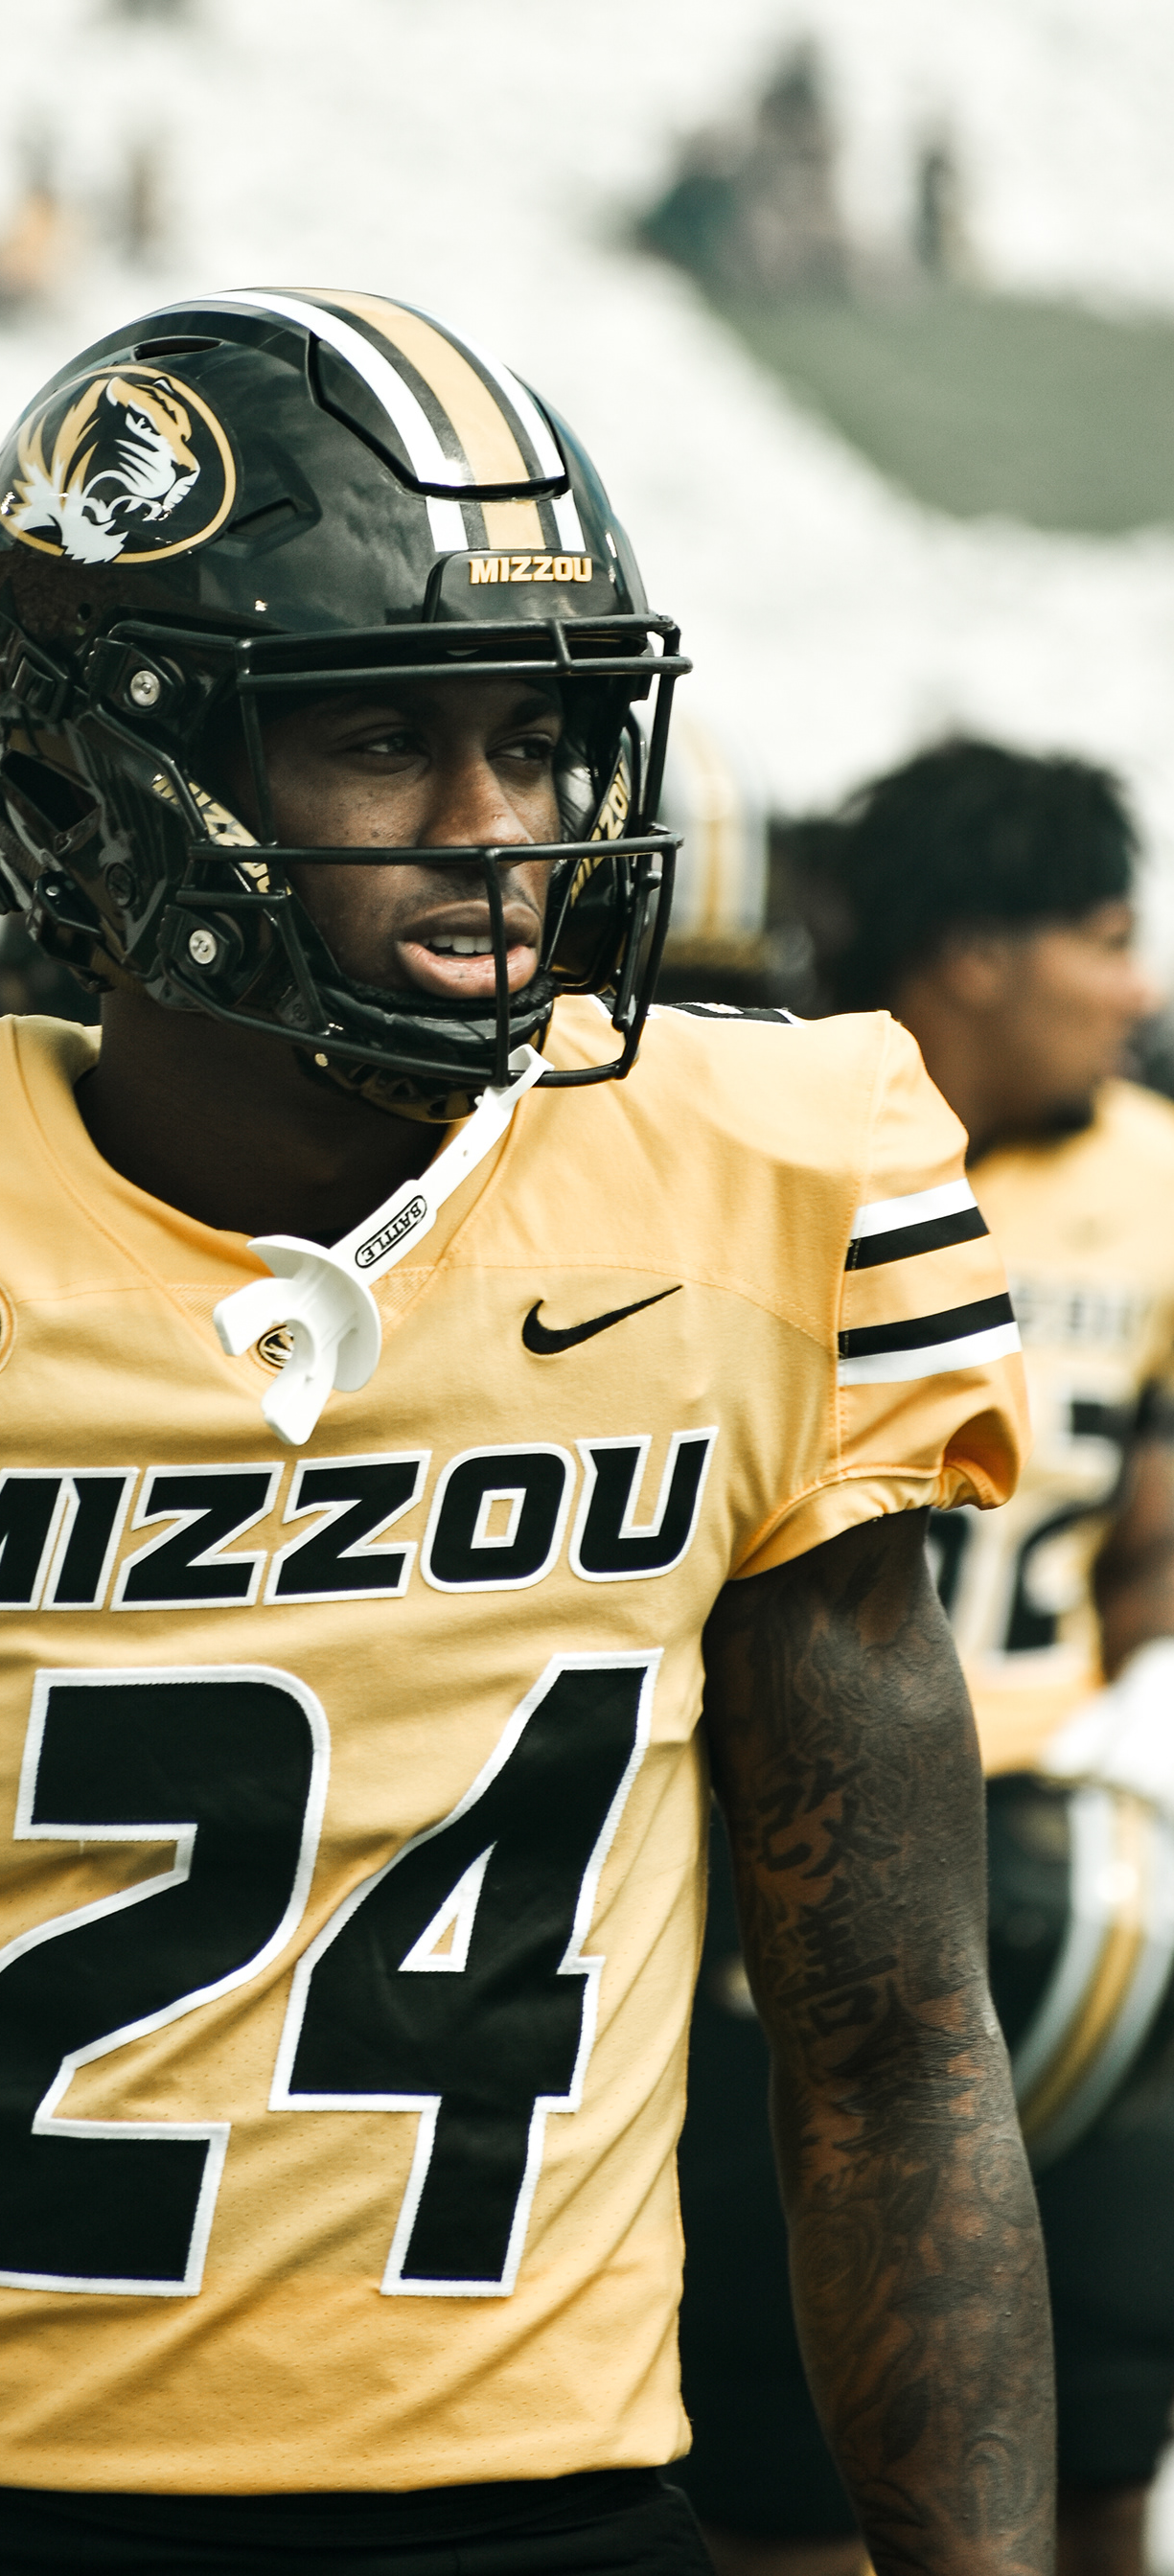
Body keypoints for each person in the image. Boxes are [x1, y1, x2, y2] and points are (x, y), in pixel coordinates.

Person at [0, 290, 1047, 2576]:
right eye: (382, 739)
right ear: (85, 776)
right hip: (3, 2531)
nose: (499, 836)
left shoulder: (773, 1180)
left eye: (540, 739)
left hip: (562, 2529)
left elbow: (893, 2045)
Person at [676, 737, 1174, 2576]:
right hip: (790, 1893)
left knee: (1097, 2440)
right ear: (974, 952)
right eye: (1103, 938)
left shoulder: (1157, 1175)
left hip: (1071, 1878)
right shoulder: (762, 1161)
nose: (1138, 988)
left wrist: (1150, 1724)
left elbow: (1154, 1541)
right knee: (789, 2469)